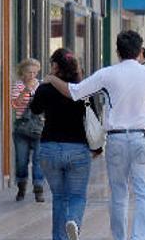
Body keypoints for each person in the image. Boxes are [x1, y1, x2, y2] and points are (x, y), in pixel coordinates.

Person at [45, 31, 145, 240]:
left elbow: (75, 92)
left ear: (118, 51)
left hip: (116, 139)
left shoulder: (107, 73)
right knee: (143, 194)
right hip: (143, 138)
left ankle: (119, 237)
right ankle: (139, 237)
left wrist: (51, 79)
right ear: (141, 52)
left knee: (118, 193)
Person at [32, 48, 92, 240]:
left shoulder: (46, 87)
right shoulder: (82, 88)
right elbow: (93, 117)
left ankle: (59, 238)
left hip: (49, 148)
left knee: (59, 197)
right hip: (77, 149)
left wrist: (44, 84)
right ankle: (73, 220)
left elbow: (34, 109)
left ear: (55, 66)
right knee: (77, 196)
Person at [11, 58, 45, 202]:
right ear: (22, 73)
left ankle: (38, 188)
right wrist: (25, 89)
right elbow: (15, 104)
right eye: (29, 72)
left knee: (38, 160)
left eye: (34, 72)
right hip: (22, 129)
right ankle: (21, 186)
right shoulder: (17, 85)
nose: (32, 75)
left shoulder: (41, 86)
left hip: (38, 128)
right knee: (21, 160)